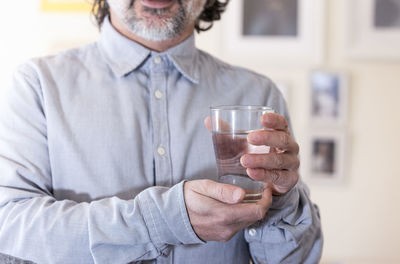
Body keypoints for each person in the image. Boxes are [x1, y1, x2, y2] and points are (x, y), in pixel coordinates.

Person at [0, 0, 322, 263]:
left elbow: (297, 260)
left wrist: (280, 200)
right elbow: (10, 229)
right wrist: (164, 219)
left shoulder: (259, 96)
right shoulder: (37, 87)